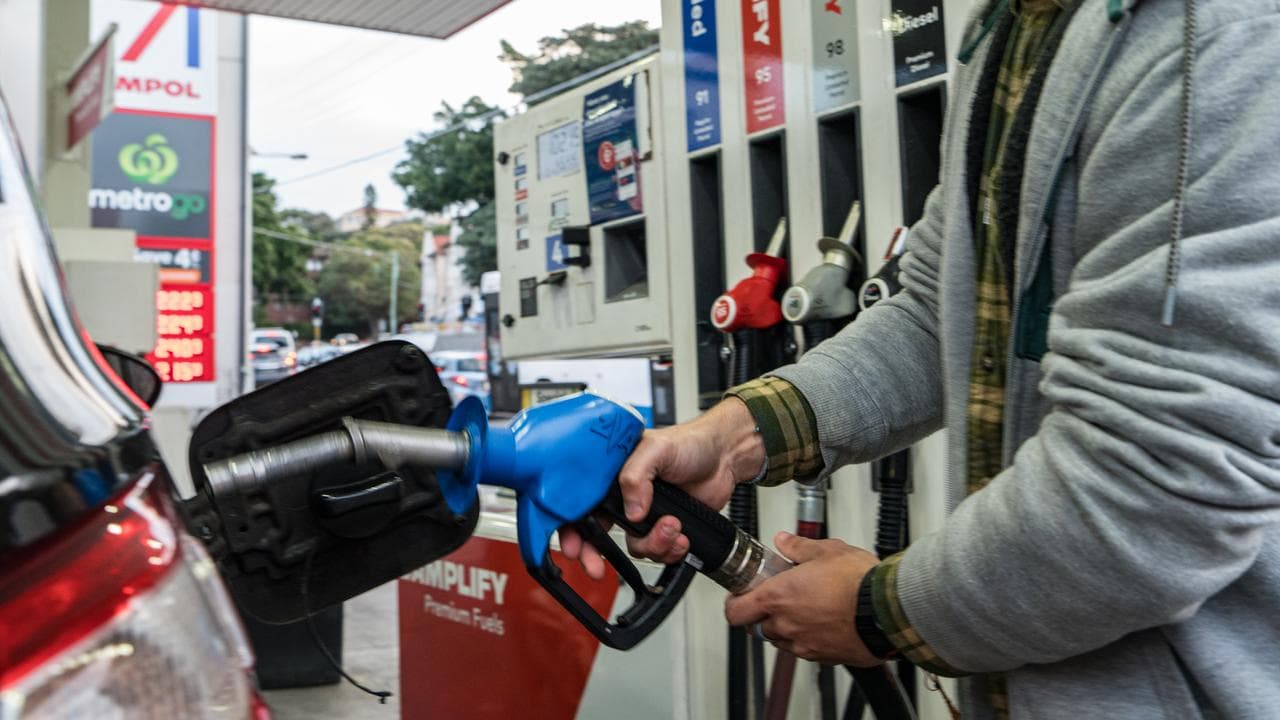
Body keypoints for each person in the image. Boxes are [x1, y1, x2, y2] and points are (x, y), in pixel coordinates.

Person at [562, 0, 1280, 717]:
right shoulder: (1016, 25)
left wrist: (880, 609)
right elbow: (940, 311)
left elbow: (1159, 479)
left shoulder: (1216, 34)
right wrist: (732, 436)